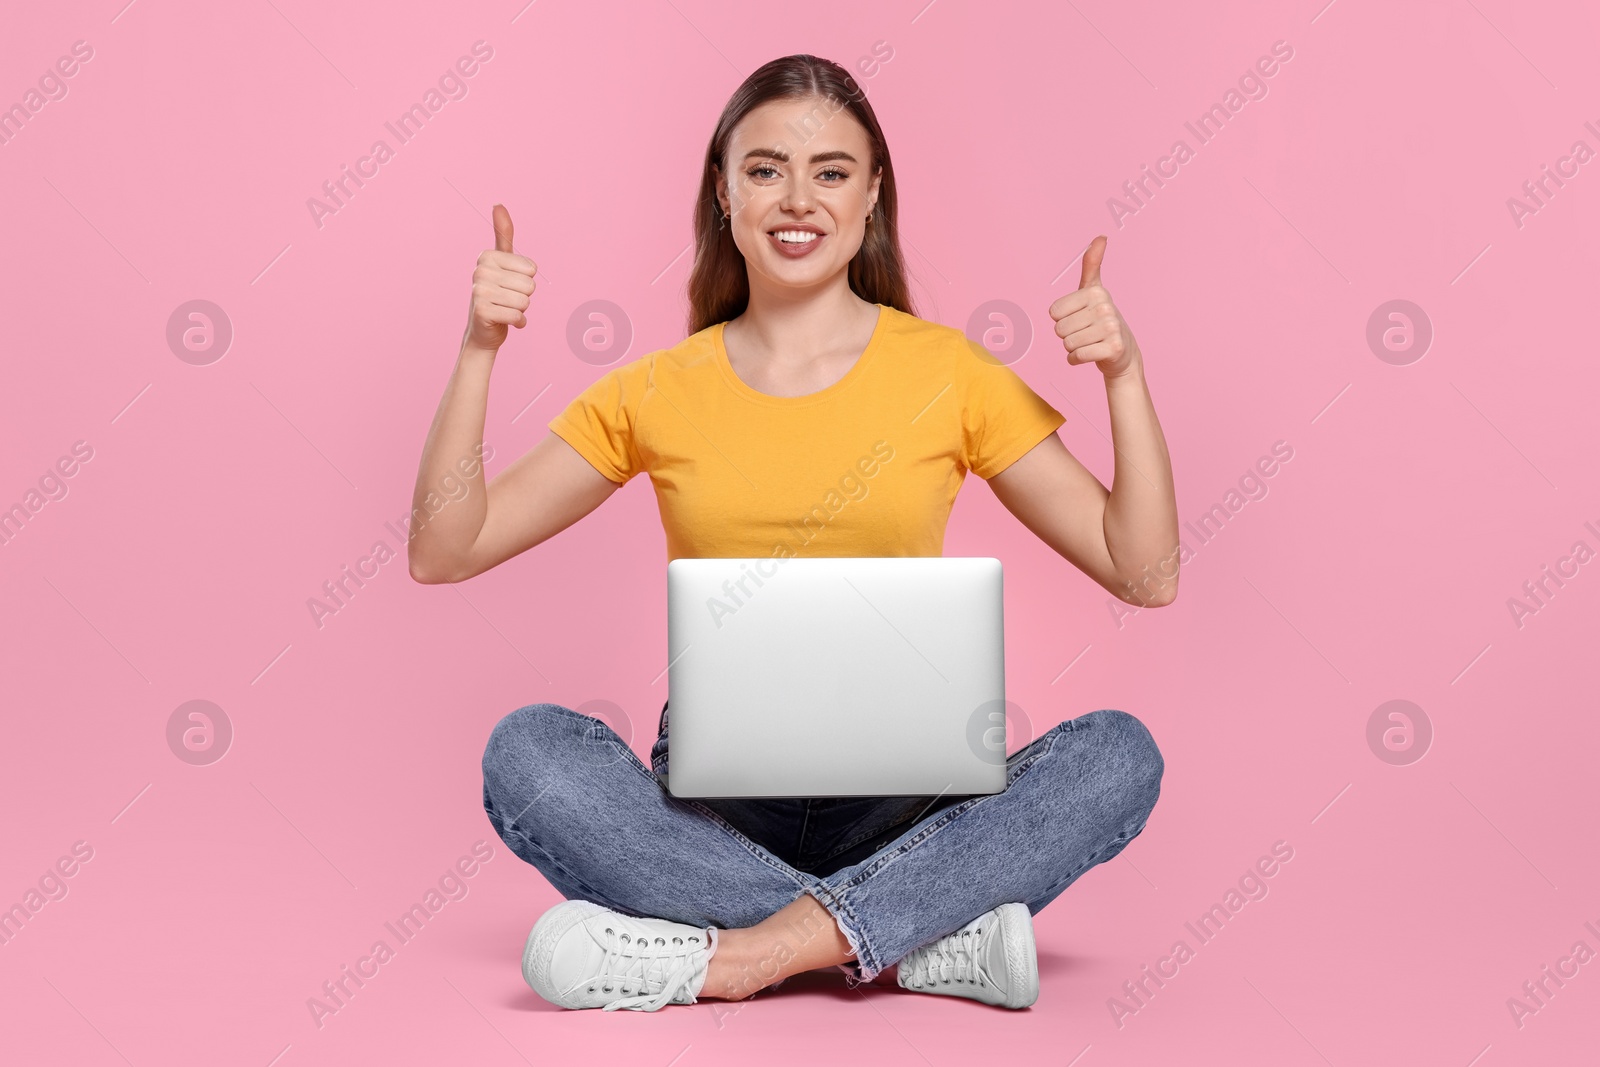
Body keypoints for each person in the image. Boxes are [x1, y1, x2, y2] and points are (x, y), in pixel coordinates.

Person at [408, 53, 1177, 1013]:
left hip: (909, 807)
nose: (796, 198)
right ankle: (910, 936)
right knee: (528, 758)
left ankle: (740, 955)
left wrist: (1125, 379)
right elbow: (446, 549)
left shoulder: (950, 373)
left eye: (831, 171)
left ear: (871, 197)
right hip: (714, 812)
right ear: (724, 193)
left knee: (1118, 757)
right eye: (765, 168)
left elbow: (1143, 570)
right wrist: (479, 348)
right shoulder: (654, 389)